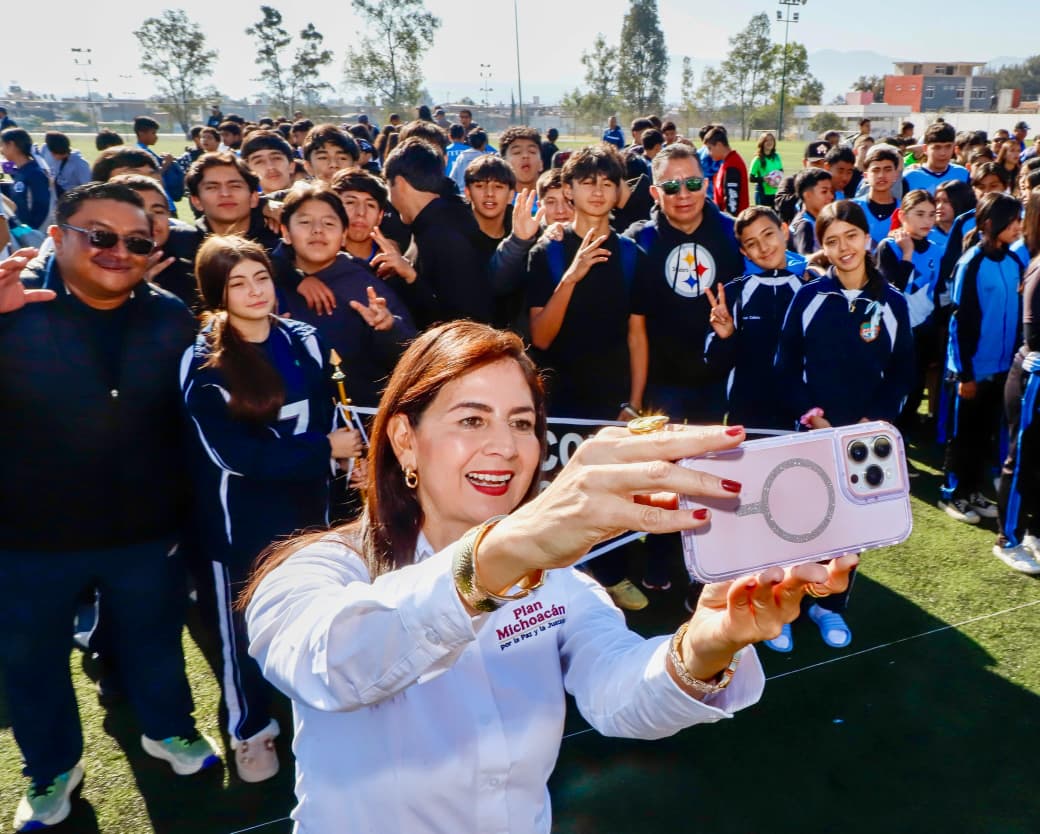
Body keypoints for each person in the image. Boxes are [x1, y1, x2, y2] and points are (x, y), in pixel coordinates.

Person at [242, 318, 857, 833]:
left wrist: (708, 642)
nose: (507, 448)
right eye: (472, 420)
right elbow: (335, 662)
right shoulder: (319, 570)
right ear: (405, 438)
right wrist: (516, 546)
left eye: (522, 422)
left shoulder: (559, 582)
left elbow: (621, 698)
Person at [0, 182, 220, 831]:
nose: (118, 250)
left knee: (153, 641)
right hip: (28, 537)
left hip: (143, 530)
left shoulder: (171, 315)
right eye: (100, 235)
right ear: (59, 236)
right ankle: (50, 768)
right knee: (32, 660)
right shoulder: (15, 307)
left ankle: (168, 729)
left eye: (137, 240)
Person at [182, 235, 363, 782]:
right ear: (217, 293)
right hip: (241, 522)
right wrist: (322, 450)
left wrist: (343, 449)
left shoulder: (304, 339)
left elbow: (330, 414)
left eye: (261, 277)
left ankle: (323, 707)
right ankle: (251, 729)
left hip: (311, 512)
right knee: (242, 634)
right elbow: (233, 455)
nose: (255, 290)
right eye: (238, 283)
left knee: (317, 611)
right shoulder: (202, 360)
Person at [773, 200, 913, 651]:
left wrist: (873, 422)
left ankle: (830, 606)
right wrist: (811, 415)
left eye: (851, 236)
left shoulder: (891, 303)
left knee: (850, 529)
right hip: (813, 432)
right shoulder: (810, 297)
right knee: (801, 522)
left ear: (867, 237)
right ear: (822, 248)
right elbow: (785, 364)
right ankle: (787, 607)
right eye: (831, 241)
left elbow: (903, 371)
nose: (844, 247)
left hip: (863, 441)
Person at [276, 183, 415, 406]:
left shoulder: (365, 285)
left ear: (343, 236)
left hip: (358, 418)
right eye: (305, 222)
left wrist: (388, 327)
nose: (317, 230)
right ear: (286, 232)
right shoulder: (268, 280)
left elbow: (410, 355)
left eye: (329, 223)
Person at [939, 192, 1026, 525]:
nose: (1019, 227)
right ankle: (952, 493)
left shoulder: (1014, 262)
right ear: (991, 224)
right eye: (1013, 221)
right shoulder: (971, 263)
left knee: (986, 435)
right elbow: (959, 322)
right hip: (971, 370)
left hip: (1004, 368)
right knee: (963, 435)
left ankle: (973, 491)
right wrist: (964, 374)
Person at [704, 205, 805, 430]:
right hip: (749, 421)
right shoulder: (732, 295)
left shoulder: (810, 291)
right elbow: (714, 365)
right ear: (744, 252)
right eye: (751, 243)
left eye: (768, 234)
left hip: (802, 421)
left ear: (785, 231)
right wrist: (726, 337)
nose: (763, 247)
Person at [384, 138, 493, 329]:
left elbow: (462, 319)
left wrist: (411, 277)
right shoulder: (437, 221)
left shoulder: (446, 236)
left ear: (399, 183)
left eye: (388, 186)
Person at [994, 187, 1040, 573]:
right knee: (1020, 460)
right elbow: (1034, 338)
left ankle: (1034, 532)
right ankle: (1006, 538)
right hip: (1032, 380)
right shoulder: (1038, 267)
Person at [876, 190, 943, 437]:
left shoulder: (937, 249)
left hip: (924, 330)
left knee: (915, 385)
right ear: (903, 215)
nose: (927, 221)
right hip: (896, 331)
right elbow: (890, 291)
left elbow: (938, 292)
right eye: (919, 214)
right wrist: (907, 254)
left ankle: (904, 432)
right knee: (894, 386)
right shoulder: (889, 247)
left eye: (931, 215)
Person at [0, 127, 54, 234]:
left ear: (11, 145)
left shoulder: (35, 173)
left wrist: (28, 233)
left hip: (30, 236)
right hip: (18, 232)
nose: (1, 150)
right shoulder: (20, 170)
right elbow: (12, 177)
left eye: (2, 145)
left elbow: (42, 207)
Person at [853, 145, 901, 251]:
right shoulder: (852, 208)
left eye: (887, 170)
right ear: (865, 176)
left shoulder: (904, 211)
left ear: (896, 175)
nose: (881, 175)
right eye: (876, 170)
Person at [903, 122, 970, 195]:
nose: (943, 153)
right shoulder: (909, 177)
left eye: (948, 146)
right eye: (937, 147)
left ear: (953, 147)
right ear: (925, 149)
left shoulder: (963, 174)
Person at [133, 116, 185, 205]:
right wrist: (166, 164)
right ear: (141, 133)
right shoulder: (140, 153)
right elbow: (149, 177)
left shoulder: (145, 150)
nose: (156, 137)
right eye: (153, 133)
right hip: (159, 201)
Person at [787, 168, 835, 256]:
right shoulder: (804, 226)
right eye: (824, 192)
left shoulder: (818, 219)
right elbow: (806, 261)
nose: (831, 196)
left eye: (831, 191)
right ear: (808, 195)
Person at [704, 127, 749, 216]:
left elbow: (732, 203)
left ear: (719, 145)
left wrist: (728, 224)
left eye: (710, 148)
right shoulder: (726, 163)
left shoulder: (732, 165)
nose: (709, 153)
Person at [37, 132, 91, 198]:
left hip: (69, 200)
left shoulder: (80, 164)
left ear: (60, 151)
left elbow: (89, 189)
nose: (51, 155)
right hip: (51, 198)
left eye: (53, 153)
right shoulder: (46, 148)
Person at [241, 129, 295, 194]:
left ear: (291, 166)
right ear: (248, 171)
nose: (270, 167)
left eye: (276, 158)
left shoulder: (309, 196)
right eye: (259, 161)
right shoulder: (246, 203)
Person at [499, 126, 544, 195]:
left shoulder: (556, 200)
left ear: (541, 163)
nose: (525, 155)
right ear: (504, 164)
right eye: (517, 152)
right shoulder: (498, 202)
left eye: (532, 151)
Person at [449, 128, 491, 193]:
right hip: (478, 195)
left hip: (462, 195)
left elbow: (452, 178)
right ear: (484, 143)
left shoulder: (462, 156)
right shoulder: (486, 159)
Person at [748, 132, 783, 208]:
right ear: (762, 143)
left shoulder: (777, 157)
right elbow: (751, 178)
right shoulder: (757, 159)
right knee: (763, 217)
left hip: (775, 193)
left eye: (771, 140)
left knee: (775, 217)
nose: (769, 142)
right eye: (767, 140)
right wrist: (764, 179)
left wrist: (777, 178)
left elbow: (781, 171)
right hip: (762, 193)